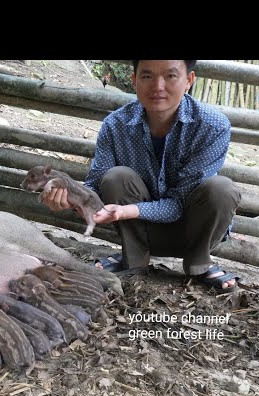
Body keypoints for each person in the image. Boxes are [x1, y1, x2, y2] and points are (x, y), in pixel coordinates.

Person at [42, 60, 241, 292]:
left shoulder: (213, 126)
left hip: (193, 232)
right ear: (134, 79)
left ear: (189, 80)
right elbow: (94, 185)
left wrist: (126, 211)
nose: (158, 86)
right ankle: (134, 260)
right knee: (116, 176)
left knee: (221, 189)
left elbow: (178, 204)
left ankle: (199, 264)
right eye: (147, 76)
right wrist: (69, 199)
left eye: (170, 76)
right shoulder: (115, 124)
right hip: (139, 231)